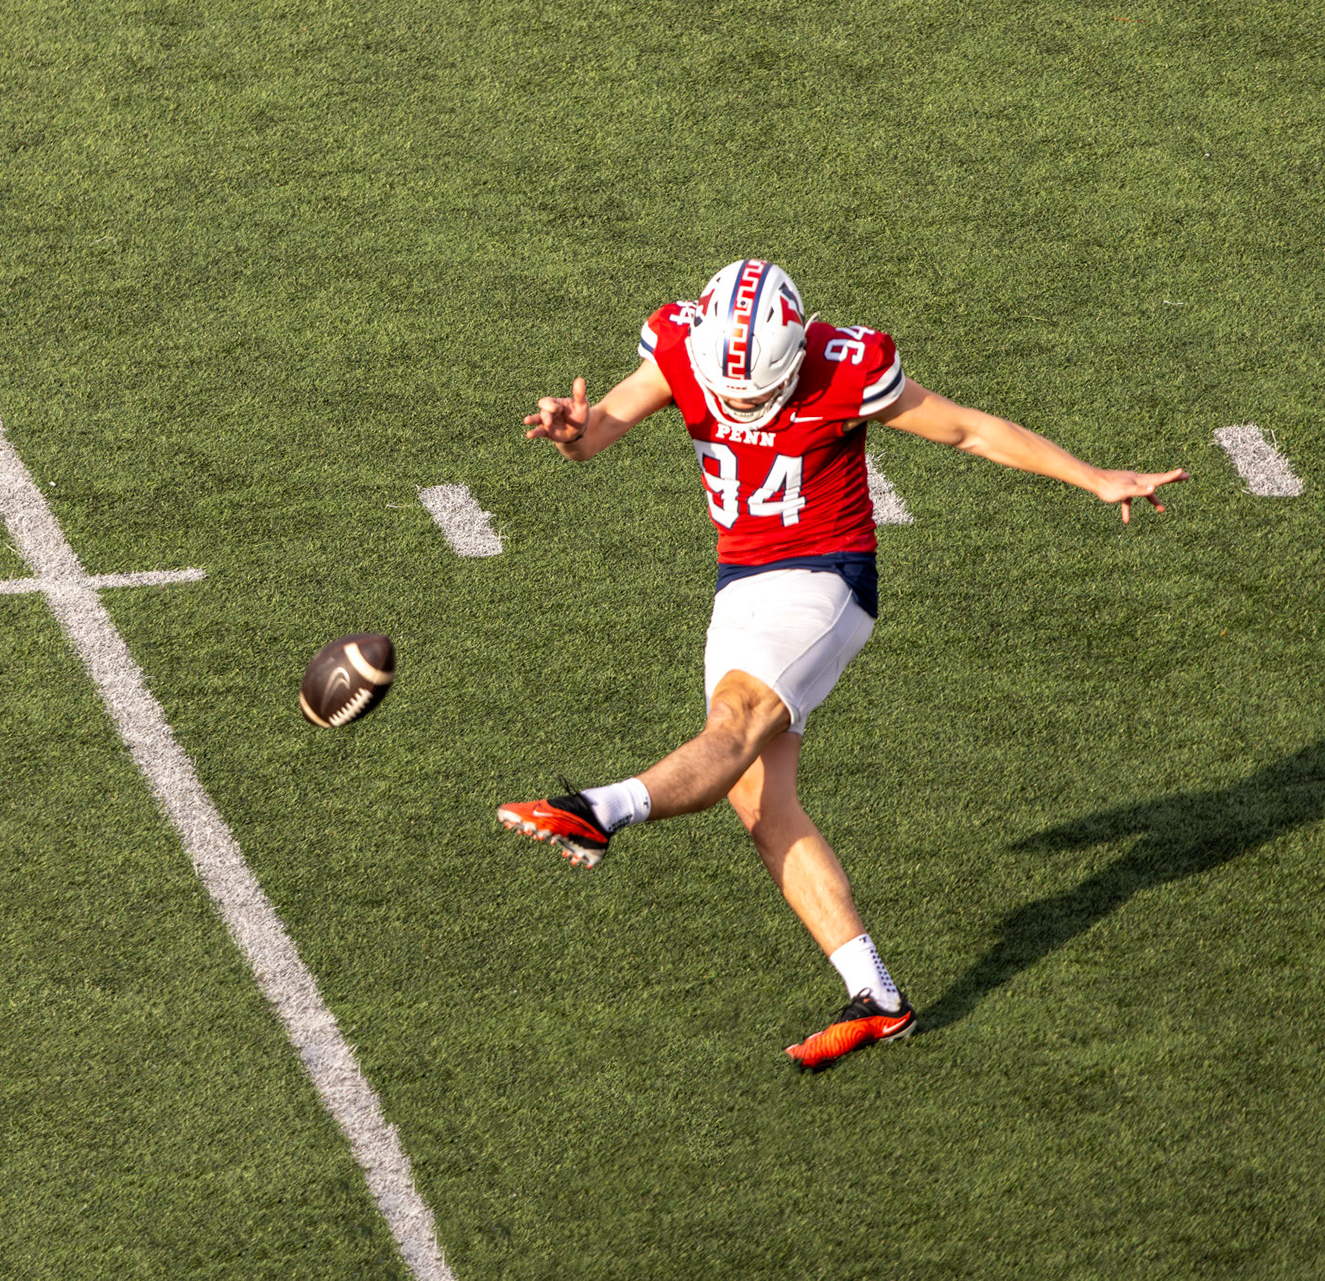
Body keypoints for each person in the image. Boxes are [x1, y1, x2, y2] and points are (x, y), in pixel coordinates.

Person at [496, 259, 1188, 1069]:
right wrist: (573, 433)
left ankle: (599, 811)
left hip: (825, 579)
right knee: (760, 803)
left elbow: (968, 429)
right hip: (740, 580)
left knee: (734, 725)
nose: (743, 405)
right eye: (731, 388)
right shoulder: (685, 343)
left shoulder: (843, 367)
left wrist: (1093, 476)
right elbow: (598, 435)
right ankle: (879, 999)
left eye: (760, 390)